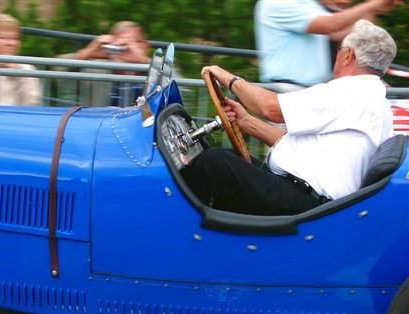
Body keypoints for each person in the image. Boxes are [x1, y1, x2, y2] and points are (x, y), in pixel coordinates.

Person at [182, 20, 396, 216]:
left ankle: (179, 232)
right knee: (227, 159)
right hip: (311, 198)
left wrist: (230, 79)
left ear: (348, 55)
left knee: (213, 163)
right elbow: (295, 141)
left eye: (339, 48)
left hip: (309, 205)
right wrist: (246, 121)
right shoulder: (374, 98)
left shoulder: (349, 91)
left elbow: (270, 108)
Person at [254, 0, 402, 89]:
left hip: (310, 91)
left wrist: (375, 10)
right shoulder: (277, 3)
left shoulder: (308, 4)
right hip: (287, 90)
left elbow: (339, 33)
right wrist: (371, 4)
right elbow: (329, 25)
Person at [59, 21, 151, 107]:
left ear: (146, 46)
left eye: (133, 41)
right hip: (101, 117)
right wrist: (87, 53)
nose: (128, 46)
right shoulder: (97, 70)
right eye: (121, 43)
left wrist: (144, 62)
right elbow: (56, 70)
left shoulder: (155, 69)